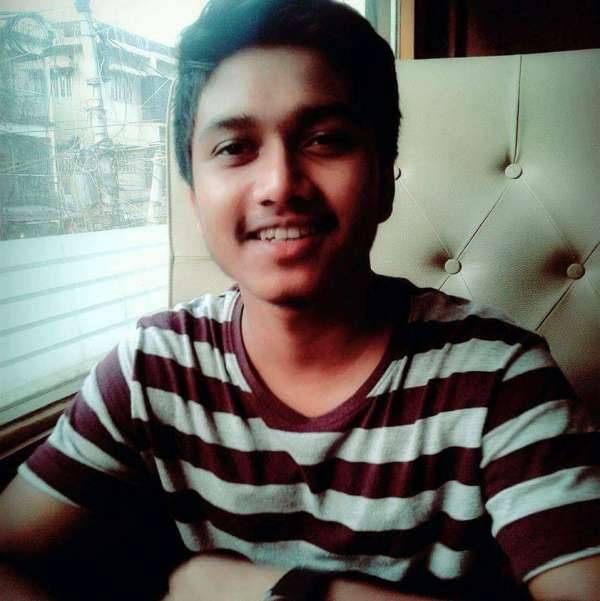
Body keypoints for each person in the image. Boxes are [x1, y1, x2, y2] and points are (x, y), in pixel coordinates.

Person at [1, 1, 599, 600]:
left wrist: (263, 590)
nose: (280, 184)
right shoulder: (152, 368)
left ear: (384, 180)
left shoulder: (498, 377)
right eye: (234, 148)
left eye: (326, 140)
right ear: (194, 198)